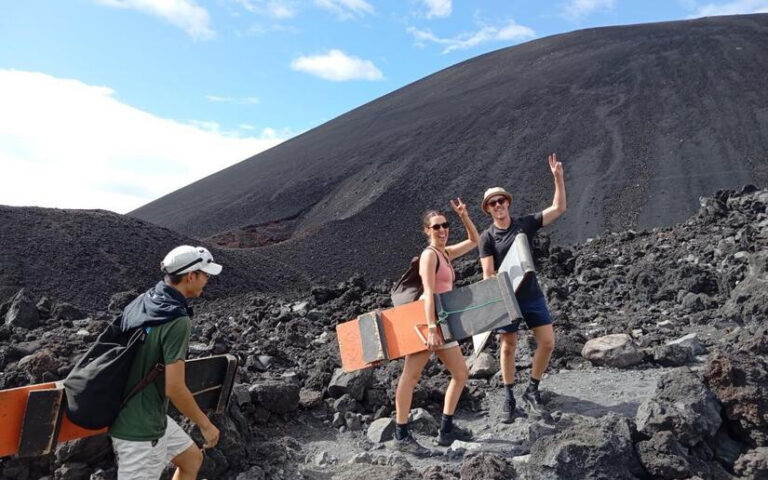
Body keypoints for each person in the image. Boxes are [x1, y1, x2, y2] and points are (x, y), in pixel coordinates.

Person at [109, 245, 223, 480]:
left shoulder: (146, 301)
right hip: (140, 431)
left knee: (191, 459)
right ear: (190, 276)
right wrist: (205, 425)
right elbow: (175, 388)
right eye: (205, 274)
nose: (207, 280)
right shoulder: (177, 320)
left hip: (134, 410)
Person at [478, 153, 566, 421]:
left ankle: (532, 389)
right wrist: (496, 283)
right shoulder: (487, 237)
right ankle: (509, 397)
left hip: (531, 294)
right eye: (492, 203)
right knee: (508, 346)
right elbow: (487, 273)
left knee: (547, 342)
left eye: (501, 200)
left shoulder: (524, 224)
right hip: (508, 298)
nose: (498, 205)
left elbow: (558, 208)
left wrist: (558, 178)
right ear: (488, 209)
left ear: (508, 202)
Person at [392, 198, 481, 454]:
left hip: (443, 321)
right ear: (426, 231)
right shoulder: (429, 256)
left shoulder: (446, 253)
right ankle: (401, 434)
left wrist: (464, 216)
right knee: (411, 376)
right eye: (436, 227)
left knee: (460, 373)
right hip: (427, 321)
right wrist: (431, 328)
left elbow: (474, 241)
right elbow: (429, 292)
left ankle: (446, 429)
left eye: (445, 225)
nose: (442, 230)